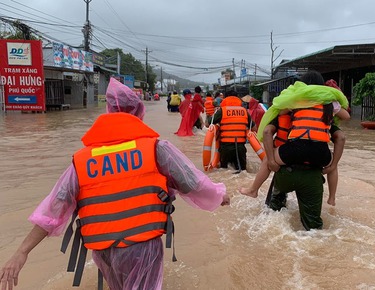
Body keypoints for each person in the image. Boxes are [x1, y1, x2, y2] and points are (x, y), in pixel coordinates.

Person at [0, 78, 230, 290]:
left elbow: (54, 208)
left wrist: (22, 252)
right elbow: (193, 183)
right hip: (141, 247)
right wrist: (219, 196)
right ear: (139, 113)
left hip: (103, 251)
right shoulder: (156, 148)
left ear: (108, 112)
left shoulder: (83, 159)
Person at [240, 72, 349, 228]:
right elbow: (344, 124)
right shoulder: (329, 103)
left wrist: (272, 161)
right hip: (320, 155)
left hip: (293, 152)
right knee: (333, 165)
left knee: (267, 161)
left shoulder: (297, 101)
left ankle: (253, 189)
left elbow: (271, 124)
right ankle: (332, 198)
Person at [211, 90, 256, 172]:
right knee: (242, 172)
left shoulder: (222, 110)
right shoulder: (244, 111)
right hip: (240, 148)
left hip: (226, 148)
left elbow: (208, 124)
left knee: (224, 172)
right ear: (237, 98)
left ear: (226, 98)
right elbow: (254, 129)